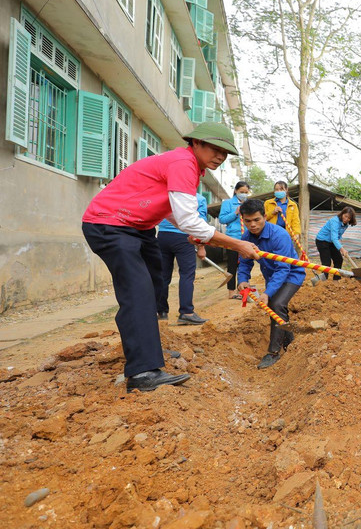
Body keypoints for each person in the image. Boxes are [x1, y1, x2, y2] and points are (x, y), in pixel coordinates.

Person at [82, 122, 260, 392]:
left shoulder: (190, 166)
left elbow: (172, 211)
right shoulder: (182, 163)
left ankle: (148, 346)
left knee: (155, 286)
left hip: (138, 228)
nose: (221, 157)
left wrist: (188, 230)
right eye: (216, 149)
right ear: (196, 143)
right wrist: (236, 244)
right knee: (138, 292)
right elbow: (190, 218)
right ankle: (142, 373)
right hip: (110, 225)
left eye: (226, 153)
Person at [236, 199, 306, 369]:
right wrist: (242, 280)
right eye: (248, 221)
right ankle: (290, 342)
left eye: (256, 220)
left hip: (291, 274)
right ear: (243, 219)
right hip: (272, 276)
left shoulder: (279, 235)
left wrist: (267, 293)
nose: (252, 225)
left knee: (276, 304)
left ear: (265, 216)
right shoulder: (246, 237)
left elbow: (283, 269)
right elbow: (244, 263)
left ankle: (273, 352)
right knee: (275, 309)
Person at [155, 192, 209, 324]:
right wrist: (201, 247)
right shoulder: (199, 198)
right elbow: (200, 223)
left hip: (162, 236)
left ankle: (161, 312)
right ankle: (186, 312)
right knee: (186, 275)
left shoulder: (168, 195)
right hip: (184, 238)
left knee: (163, 276)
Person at [218, 181, 251, 299]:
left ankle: (243, 289)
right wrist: (235, 212)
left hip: (247, 238)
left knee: (246, 264)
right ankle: (231, 292)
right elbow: (222, 219)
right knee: (232, 265)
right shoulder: (227, 203)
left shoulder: (249, 203)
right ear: (236, 191)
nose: (244, 194)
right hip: (232, 239)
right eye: (241, 192)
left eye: (246, 192)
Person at [315, 206, 356, 280]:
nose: (346, 219)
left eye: (349, 218)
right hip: (322, 241)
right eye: (345, 216)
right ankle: (323, 281)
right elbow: (334, 238)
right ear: (342, 214)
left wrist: (340, 247)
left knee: (338, 259)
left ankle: (336, 280)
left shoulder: (345, 224)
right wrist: (342, 249)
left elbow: (338, 236)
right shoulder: (335, 221)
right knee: (326, 262)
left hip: (331, 242)